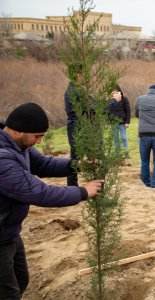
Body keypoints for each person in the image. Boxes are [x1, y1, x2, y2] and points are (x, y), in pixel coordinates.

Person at [0, 102, 103, 299]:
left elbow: (43, 164)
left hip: (10, 232)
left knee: (21, 281)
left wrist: (77, 165)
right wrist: (83, 192)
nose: (39, 142)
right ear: (19, 131)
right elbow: (40, 193)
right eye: (37, 136)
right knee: (8, 293)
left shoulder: (18, 145)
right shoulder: (3, 159)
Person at [135, 84, 155, 189]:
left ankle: (145, 183)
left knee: (144, 161)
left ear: (148, 90)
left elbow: (136, 114)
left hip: (144, 134)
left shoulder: (139, 99)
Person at [64, 63, 84, 186]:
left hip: (75, 128)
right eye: (82, 73)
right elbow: (93, 109)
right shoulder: (75, 91)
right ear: (77, 74)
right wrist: (112, 101)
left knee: (74, 158)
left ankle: (72, 186)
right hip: (78, 129)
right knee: (76, 159)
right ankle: (72, 186)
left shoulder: (72, 89)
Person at [108, 84, 131, 155]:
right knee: (116, 138)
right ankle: (117, 154)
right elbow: (107, 111)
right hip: (113, 122)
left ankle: (126, 153)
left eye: (116, 91)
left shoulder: (124, 99)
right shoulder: (110, 101)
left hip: (122, 122)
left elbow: (128, 111)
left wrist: (127, 122)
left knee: (124, 138)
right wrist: (108, 121)